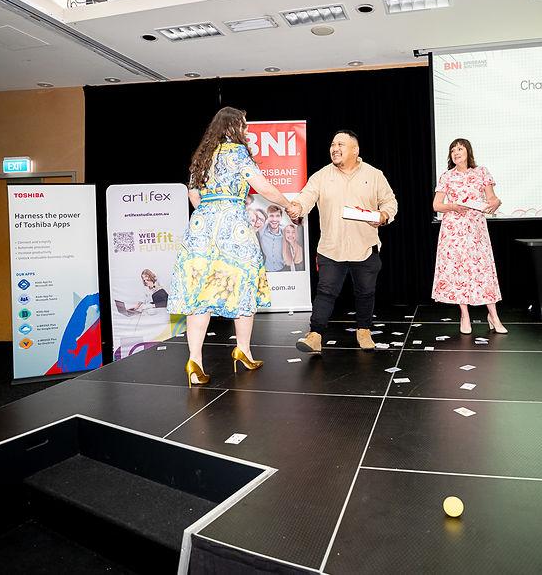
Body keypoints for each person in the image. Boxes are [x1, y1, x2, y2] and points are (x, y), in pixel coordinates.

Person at [168, 107, 293, 386]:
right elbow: (263, 187)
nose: (246, 131)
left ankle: (195, 361)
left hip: (200, 229)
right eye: (244, 125)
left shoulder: (201, 156)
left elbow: (193, 194)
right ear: (231, 127)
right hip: (233, 227)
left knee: (199, 293)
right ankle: (243, 350)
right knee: (244, 285)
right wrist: (288, 204)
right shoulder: (237, 153)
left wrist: (209, 214)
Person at [288, 130, 398, 353]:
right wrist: (297, 207)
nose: (335, 148)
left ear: (355, 150)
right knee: (325, 292)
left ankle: (364, 331)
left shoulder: (374, 175)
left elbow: (390, 202)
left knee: (365, 292)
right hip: (331, 248)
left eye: (341, 144)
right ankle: (315, 335)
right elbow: (306, 197)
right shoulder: (321, 176)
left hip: (365, 247)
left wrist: (384, 215)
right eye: (332, 144)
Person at [431, 138, 506, 335]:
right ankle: (464, 315)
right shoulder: (447, 176)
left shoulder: (481, 172)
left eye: (460, 149)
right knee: (459, 271)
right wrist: (453, 206)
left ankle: (493, 316)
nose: (456, 152)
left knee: (483, 270)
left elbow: (492, 199)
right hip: (453, 230)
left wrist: (495, 203)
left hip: (476, 229)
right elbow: (436, 205)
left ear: (468, 152)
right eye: (453, 150)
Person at [258, 204, 286, 272]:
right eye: (271, 216)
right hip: (265, 272)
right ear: (267, 217)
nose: (274, 219)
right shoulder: (260, 231)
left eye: (277, 216)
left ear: (281, 218)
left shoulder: (285, 233)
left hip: (283, 270)